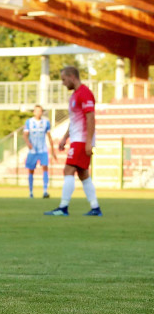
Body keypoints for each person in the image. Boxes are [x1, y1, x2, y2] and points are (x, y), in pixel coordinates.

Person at [45, 66, 101, 217]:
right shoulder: (75, 95)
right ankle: (95, 208)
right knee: (83, 173)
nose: (63, 83)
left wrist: (89, 142)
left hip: (82, 140)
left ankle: (63, 207)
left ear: (71, 77)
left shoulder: (85, 93)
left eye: (64, 79)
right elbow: (74, 120)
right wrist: (65, 137)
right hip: (77, 139)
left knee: (68, 170)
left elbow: (90, 118)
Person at [23, 104, 56, 198]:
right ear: (34, 112)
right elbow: (25, 135)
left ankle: (45, 191)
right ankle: (31, 192)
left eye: (40, 111)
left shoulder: (46, 122)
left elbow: (49, 136)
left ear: (42, 112)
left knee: (45, 167)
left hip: (43, 149)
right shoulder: (29, 122)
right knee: (31, 170)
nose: (38, 112)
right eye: (36, 111)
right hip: (33, 150)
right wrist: (28, 143)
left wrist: (53, 150)